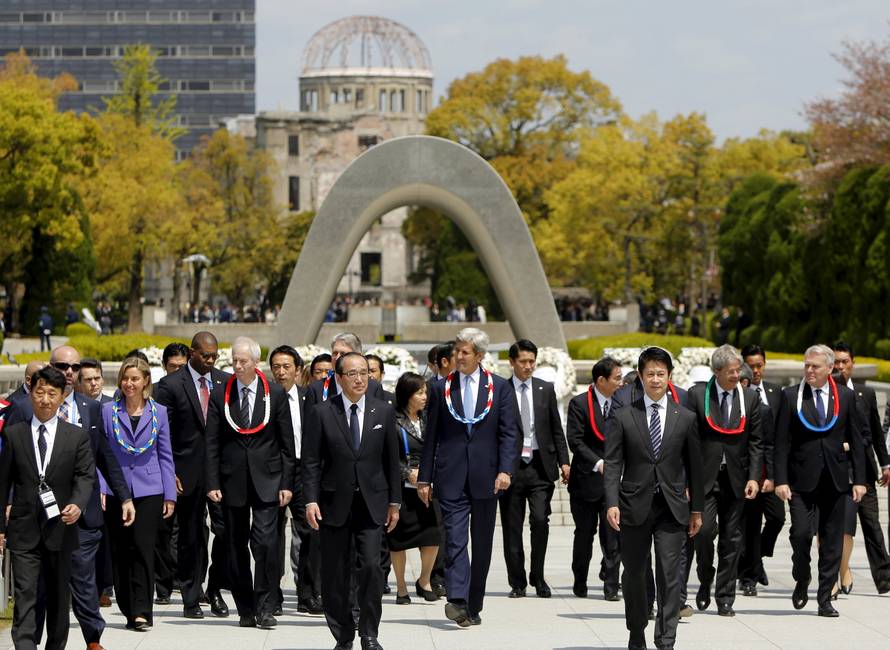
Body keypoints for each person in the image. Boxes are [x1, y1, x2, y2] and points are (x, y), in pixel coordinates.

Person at [417, 327, 519, 628]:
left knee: (483, 544)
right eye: (456, 351)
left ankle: (474, 604)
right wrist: (425, 478)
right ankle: (457, 599)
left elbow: (509, 432)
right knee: (455, 540)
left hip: (488, 477)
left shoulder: (499, 388)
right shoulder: (440, 388)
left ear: (479, 355)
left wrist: (505, 470)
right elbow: (431, 435)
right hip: (451, 476)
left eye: (464, 352)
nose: (458, 356)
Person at [605, 347, 704, 650]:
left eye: (661, 373)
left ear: (670, 376)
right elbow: (612, 463)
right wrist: (611, 502)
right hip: (634, 506)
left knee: (670, 574)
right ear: (641, 377)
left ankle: (666, 639)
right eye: (650, 374)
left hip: (672, 508)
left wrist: (697, 509)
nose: (656, 379)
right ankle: (637, 633)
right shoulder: (624, 416)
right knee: (634, 573)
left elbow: (696, 466)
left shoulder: (685, 417)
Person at [303, 352, 401, 650]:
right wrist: (310, 500)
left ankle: (369, 633)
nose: (359, 379)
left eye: (364, 373)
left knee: (372, 567)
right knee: (335, 574)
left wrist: (395, 502)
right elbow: (311, 462)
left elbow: (391, 461)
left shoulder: (383, 411)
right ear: (338, 377)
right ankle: (343, 635)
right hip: (334, 505)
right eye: (352, 374)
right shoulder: (322, 412)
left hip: (372, 505)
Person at [0, 366, 96, 650]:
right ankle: (25, 645)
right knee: (25, 595)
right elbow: (2, 484)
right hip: (23, 529)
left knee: (57, 598)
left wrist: (78, 504)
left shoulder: (75, 436)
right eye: (39, 392)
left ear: (61, 397)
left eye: (51, 394)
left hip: (61, 529)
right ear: (30, 394)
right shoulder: (14, 434)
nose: (44, 399)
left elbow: (85, 475)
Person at [205, 336, 296, 629]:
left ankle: (267, 605)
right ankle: (245, 607)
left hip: (268, 480)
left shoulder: (275, 394)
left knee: (267, 544)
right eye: (233, 360)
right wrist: (212, 481)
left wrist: (286, 483)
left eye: (243, 361)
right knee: (235, 545)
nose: (237, 365)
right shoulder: (221, 394)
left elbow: (286, 444)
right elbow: (212, 443)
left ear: (256, 363)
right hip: (232, 482)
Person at [775, 344, 867, 617]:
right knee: (801, 534)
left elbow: (858, 441)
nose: (810, 370)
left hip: (836, 480)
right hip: (801, 481)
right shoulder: (791, 396)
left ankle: (825, 597)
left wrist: (860, 479)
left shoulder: (846, 397)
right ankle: (802, 576)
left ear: (830, 368)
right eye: (806, 365)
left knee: (832, 541)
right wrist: (781, 480)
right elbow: (780, 442)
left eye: (815, 366)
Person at [154, 332, 231, 620]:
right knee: (191, 536)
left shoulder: (225, 382)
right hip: (186, 473)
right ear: (191, 353)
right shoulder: (170, 385)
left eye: (214, 356)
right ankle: (190, 596)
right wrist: (169, 471)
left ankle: (215, 589)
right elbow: (163, 435)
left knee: (225, 533)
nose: (210, 361)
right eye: (205, 355)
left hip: (222, 474)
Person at [684, 345, 762, 617]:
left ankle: (725, 597)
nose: (737, 375)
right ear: (716, 371)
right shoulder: (697, 396)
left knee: (732, 540)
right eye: (730, 371)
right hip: (704, 479)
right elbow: (685, 440)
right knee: (703, 533)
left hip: (736, 479)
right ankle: (705, 576)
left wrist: (754, 477)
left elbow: (756, 442)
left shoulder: (749, 398)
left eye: (738, 369)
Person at [101, 357, 176, 631]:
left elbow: (166, 456)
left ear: (146, 381)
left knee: (144, 549)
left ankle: (143, 610)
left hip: (149, 489)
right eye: (125, 378)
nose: (129, 383)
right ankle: (128, 607)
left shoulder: (160, 412)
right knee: (121, 550)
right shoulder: (108, 411)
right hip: (116, 489)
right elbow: (101, 453)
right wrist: (100, 487)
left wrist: (170, 494)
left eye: (134, 378)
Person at [499, 339, 569, 599]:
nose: (528, 366)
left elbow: (555, 428)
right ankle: (517, 581)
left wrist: (564, 461)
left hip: (541, 466)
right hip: (511, 468)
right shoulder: (501, 390)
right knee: (511, 526)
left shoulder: (544, 389)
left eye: (532, 361)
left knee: (540, 520)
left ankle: (538, 576)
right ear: (512, 362)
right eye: (523, 362)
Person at [267, 345, 323, 616]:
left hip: (305, 471)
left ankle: (308, 593)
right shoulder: (265, 399)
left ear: (298, 371)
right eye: (276, 366)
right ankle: (272, 594)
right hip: (274, 473)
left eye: (286, 366)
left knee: (311, 533)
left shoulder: (308, 398)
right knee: (272, 535)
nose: (280, 372)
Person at [832, 342, 890, 594]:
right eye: (836, 362)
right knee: (844, 527)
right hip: (840, 472)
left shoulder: (864, 394)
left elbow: (876, 432)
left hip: (865, 470)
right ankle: (838, 572)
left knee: (872, 526)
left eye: (845, 361)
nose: (841, 366)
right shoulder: (827, 394)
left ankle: (885, 578)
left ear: (852, 363)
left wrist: (886, 463)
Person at [566, 357, 622, 600]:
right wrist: (599, 463)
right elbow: (575, 440)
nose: (621, 383)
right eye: (617, 378)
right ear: (601, 380)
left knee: (613, 536)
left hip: (614, 483)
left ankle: (611, 586)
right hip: (586, 482)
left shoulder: (623, 405)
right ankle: (580, 580)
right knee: (584, 534)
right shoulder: (579, 404)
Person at [388, 372, 442, 605]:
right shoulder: (393, 419)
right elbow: (388, 456)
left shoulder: (429, 418)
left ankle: (425, 580)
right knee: (399, 539)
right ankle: (401, 587)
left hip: (429, 486)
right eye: (419, 392)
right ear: (407, 394)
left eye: (425, 392)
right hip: (403, 487)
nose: (424, 396)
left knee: (433, 535)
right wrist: (406, 472)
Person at [737, 344, 786, 596]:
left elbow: (779, 439)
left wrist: (776, 477)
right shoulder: (738, 393)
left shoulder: (776, 393)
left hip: (771, 471)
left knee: (778, 518)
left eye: (759, 365)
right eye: (751, 366)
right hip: (748, 472)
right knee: (750, 524)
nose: (755, 371)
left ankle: (757, 557)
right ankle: (749, 575)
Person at [152, 342, 190, 606]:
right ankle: (163, 585)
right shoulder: (153, 393)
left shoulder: (197, 392)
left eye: (182, 368)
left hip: (191, 470)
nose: (177, 372)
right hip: (160, 469)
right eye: (173, 367)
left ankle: (187, 580)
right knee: (164, 530)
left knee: (192, 529)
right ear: (164, 367)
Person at [305, 333, 386, 407]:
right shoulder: (316, 389)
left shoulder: (373, 387)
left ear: (358, 356)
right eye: (335, 353)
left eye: (343, 354)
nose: (337, 358)